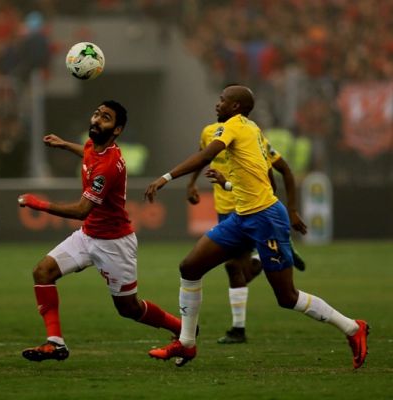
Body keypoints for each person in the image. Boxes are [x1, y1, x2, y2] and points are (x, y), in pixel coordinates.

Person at [144, 85, 368, 369]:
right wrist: (227, 184)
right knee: (189, 267)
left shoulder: (234, 126)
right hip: (242, 217)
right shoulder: (253, 129)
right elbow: (265, 177)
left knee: (287, 297)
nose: (217, 104)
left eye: (222, 100)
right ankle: (186, 344)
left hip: (264, 219)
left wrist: (165, 177)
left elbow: (204, 156)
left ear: (236, 107)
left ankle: (353, 328)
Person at [17, 100, 181, 361]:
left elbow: (82, 210)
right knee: (43, 271)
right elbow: (87, 152)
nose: (96, 120)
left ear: (117, 130)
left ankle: (182, 329)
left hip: (115, 243)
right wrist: (64, 144)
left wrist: (40, 204)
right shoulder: (94, 145)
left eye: (105, 118)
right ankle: (55, 342)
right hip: (87, 236)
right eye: (96, 114)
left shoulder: (109, 166)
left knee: (128, 308)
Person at [187, 121, 308, 344]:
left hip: (250, 210)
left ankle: (238, 328)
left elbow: (283, 169)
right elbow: (202, 157)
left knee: (233, 267)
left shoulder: (251, 135)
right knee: (235, 268)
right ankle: (266, 258)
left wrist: (288, 209)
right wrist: (192, 183)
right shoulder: (208, 132)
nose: (218, 104)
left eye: (224, 99)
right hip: (225, 210)